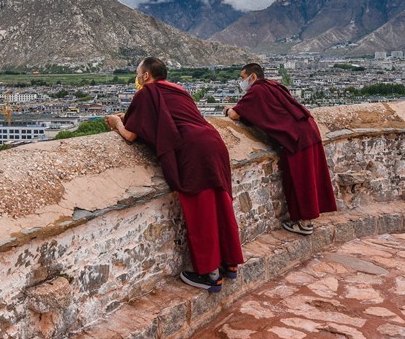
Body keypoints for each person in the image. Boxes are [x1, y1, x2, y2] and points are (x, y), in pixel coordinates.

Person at [105, 57, 245, 292]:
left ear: (146, 76)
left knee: (201, 209)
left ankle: (210, 275)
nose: (137, 79)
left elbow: (130, 135)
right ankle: (229, 263)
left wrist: (116, 122)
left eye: (139, 74)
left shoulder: (146, 93)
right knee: (220, 203)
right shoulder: (178, 90)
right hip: (213, 143)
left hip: (193, 151)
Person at [225, 63, 337, 236]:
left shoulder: (257, 90)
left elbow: (235, 114)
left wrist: (227, 110)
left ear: (253, 77)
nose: (241, 82)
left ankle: (305, 224)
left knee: (301, 179)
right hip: (307, 129)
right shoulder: (272, 85)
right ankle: (305, 219)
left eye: (242, 78)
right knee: (312, 176)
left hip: (297, 137)